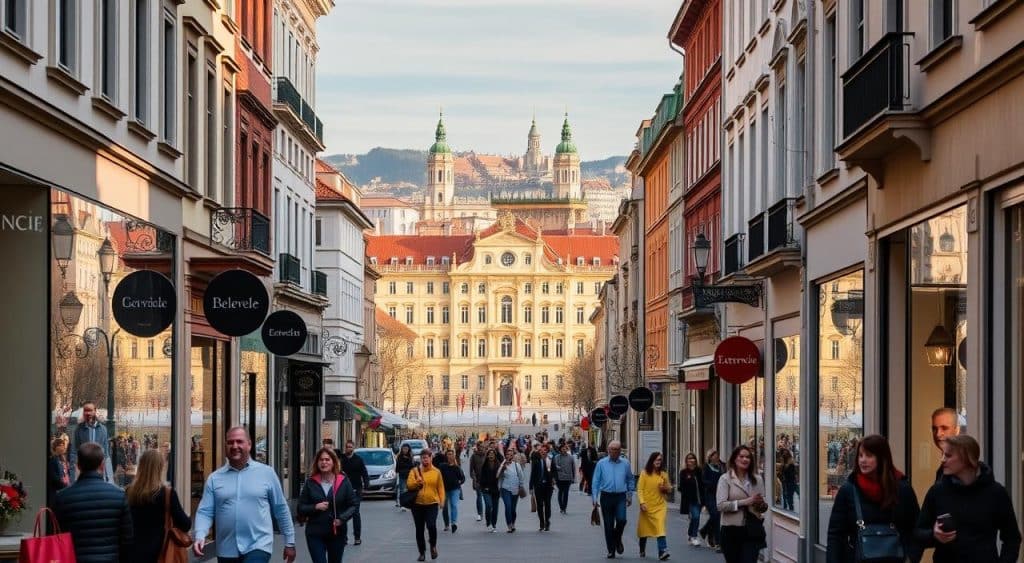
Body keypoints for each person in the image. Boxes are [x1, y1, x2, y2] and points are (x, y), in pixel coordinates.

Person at [193, 427, 296, 563]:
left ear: (249, 444)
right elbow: (205, 511)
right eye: (230, 442)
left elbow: (280, 508)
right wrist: (200, 535)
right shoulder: (215, 478)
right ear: (225, 446)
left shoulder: (266, 473)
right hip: (226, 548)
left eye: (239, 441)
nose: (235, 446)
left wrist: (290, 542)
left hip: (259, 545)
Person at [915, 434, 1021, 563]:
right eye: (942, 454)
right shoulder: (937, 491)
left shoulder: (996, 493)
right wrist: (934, 535)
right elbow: (918, 533)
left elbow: (1012, 538)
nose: (942, 459)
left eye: (948, 455)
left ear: (967, 458)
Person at [825, 434, 921, 563]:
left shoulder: (902, 488)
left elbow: (915, 529)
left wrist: (911, 558)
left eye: (869, 455)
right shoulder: (849, 490)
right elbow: (835, 535)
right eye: (860, 455)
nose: (862, 460)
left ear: (882, 458)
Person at [53, 441, 133, 563]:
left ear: (78, 465)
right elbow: (127, 540)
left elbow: (56, 536)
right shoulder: (119, 496)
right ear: (102, 465)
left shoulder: (62, 498)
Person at [124, 449, 191, 562]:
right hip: (160, 553)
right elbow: (185, 524)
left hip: (131, 553)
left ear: (141, 466)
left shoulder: (129, 492)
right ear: (160, 468)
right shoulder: (167, 493)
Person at [298, 447, 359, 563]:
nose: (324, 462)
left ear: (333, 462)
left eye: (327, 459)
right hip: (315, 533)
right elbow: (301, 507)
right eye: (321, 460)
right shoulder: (310, 482)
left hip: (337, 532)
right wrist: (315, 507)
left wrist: (342, 519)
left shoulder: (343, 481)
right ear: (317, 462)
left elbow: (353, 505)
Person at [716, 445, 767, 563]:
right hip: (731, 531)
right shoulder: (725, 479)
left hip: (752, 530)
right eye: (741, 456)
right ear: (735, 459)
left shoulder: (757, 479)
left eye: (748, 457)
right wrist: (746, 502)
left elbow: (762, 507)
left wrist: (762, 505)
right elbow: (720, 505)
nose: (745, 459)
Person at [591, 440, 635, 559]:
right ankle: (611, 550)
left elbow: (630, 479)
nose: (614, 452)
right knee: (608, 525)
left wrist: (630, 495)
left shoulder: (625, 463)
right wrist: (594, 498)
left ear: (620, 451)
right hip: (606, 496)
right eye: (612, 449)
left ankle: (617, 537)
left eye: (617, 449)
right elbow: (595, 482)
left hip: (621, 496)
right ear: (608, 450)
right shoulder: (601, 463)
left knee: (622, 520)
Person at [407, 448, 445, 561]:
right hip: (417, 504)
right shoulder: (414, 471)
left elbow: (441, 488)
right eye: (423, 458)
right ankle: (422, 552)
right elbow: (409, 485)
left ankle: (433, 545)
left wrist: (442, 501)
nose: (425, 460)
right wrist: (417, 482)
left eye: (427, 457)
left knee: (431, 525)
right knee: (419, 529)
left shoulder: (437, 472)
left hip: (432, 503)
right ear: (420, 459)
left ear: (431, 458)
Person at [637, 451, 672, 560]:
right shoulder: (644, 473)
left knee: (660, 527)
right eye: (656, 460)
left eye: (660, 460)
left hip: (660, 506)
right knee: (644, 531)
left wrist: (665, 489)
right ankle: (642, 548)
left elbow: (669, 489)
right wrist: (642, 502)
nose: (658, 462)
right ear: (652, 461)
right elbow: (640, 490)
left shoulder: (664, 474)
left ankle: (662, 551)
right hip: (647, 507)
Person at [71, 401, 111, 482]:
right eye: (85, 410)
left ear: (95, 411)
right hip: (84, 469)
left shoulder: (103, 429)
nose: (87, 413)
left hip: (98, 469)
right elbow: (74, 451)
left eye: (90, 410)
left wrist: (107, 476)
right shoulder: (78, 429)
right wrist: (73, 474)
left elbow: (106, 453)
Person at [338, 440, 369, 545]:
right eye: (347, 447)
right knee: (343, 514)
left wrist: (366, 484)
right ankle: (344, 537)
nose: (349, 449)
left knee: (355, 513)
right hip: (343, 490)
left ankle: (357, 537)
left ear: (353, 448)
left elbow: (364, 473)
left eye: (350, 447)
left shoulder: (358, 460)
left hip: (356, 490)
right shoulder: (341, 459)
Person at [699, 448, 724, 549]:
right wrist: (713, 484)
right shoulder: (706, 467)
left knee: (716, 516)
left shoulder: (721, 466)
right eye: (714, 455)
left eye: (717, 455)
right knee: (716, 515)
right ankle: (718, 542)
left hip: (719, 495)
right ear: (710, 457)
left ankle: (705, 531)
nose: (716, 456)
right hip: (709, 495)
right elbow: (703, 481)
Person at [677, 452, 703, 546]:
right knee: (696, 517)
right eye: (689, 459)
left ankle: (690, 533)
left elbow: (703, 484)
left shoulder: (699, 471)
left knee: (695, 518)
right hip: (690, 500)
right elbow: (681, 487)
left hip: (700, 499)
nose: (692, 460)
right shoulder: (684, 472)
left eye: (693, 458)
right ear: (686, 461)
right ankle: (694, 536)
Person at [498, 447, 526, 533]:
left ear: (513, 456)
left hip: (515, 489)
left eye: (510, 455)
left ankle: (513, 523)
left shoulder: (516, 465)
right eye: (507, 454)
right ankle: (509, 525)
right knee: (508, 506)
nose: (509, 456)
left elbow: (521, 476)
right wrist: (503, 465)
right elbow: (498, 475)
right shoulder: (502, 464)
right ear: (505, 455)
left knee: (513, 509)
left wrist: (521, 485)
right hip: (505, 489)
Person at [530, 442, 556, 532]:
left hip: (548, 486)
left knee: (547, 504)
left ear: (547, 451)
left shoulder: (550, 460)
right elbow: (532, 474)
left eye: (545, 450)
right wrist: (531, 487)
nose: (543, 452)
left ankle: (547, 521)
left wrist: (553, 479)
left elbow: (554, 471)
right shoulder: (536, 461)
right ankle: (541, 522)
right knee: (540, 505)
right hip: (538, 486)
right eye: (541, 451)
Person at [930, 407, 960, 480]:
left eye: (944, 428)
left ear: (957, 430)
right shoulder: (945, 466)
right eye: (934, 429)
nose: (938, 434)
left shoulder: (962, 467)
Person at [439, 449, 465, 533]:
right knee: (445, 507)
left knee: (454, 505)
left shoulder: (456, 467)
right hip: (444, 489)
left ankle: (454, 523)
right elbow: (438, 477)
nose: (450, 456)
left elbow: (462, 478)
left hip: (455, 489)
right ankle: (446, 524)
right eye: (448, 454)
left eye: (451, 454)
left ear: (454, 456)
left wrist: (460, 481)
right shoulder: (442, 466)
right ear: (446, 456)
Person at [479, 448, 501, 532]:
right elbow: (481, 478)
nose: (491, 455)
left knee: (495, 508)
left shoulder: (498, 465)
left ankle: (493, 524)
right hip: (486, 489)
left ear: (495, 456)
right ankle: (488, 521)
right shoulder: (484, 465)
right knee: (488, 505)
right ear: (487, 456)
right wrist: (483, 486)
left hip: (495, 489)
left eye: (493, 454)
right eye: (490, 454)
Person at [553, 442, 576, 514]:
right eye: (563, 449)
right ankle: (561, 507)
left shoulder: (571, 457)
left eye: (565, 448)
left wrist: (573, 477)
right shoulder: (557, 457)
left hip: (568, 478)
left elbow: (573, 468)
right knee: (560, 492)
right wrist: (558, 468)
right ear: (560, 450)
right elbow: (554, 466)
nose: (564, 450)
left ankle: (564, 507)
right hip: (559, 478)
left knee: (566, 493)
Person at [468, 442, 487, 522]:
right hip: (478, 480)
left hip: (487, 480)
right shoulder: (474, 456)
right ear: (478, 447)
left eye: (483, 447)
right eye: (480, 447)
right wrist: (474, 479)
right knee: (479, 496)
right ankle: (480, 513)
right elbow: (471, 469)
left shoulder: (487, 455)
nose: (482, 448)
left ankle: (488, 513)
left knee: (487, 497)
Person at [396, 443, 415, 512]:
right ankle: (402, 505)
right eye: (404, 449)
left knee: (409, 490)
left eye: (406, 449)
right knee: (402, 490)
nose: (405, 450)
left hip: (409, 475)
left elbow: (412, 465)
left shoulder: (410, 456)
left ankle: (408, 504)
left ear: (409, 449)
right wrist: (397, 472)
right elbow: (398, 465)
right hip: (402, 475)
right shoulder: (400, 456)